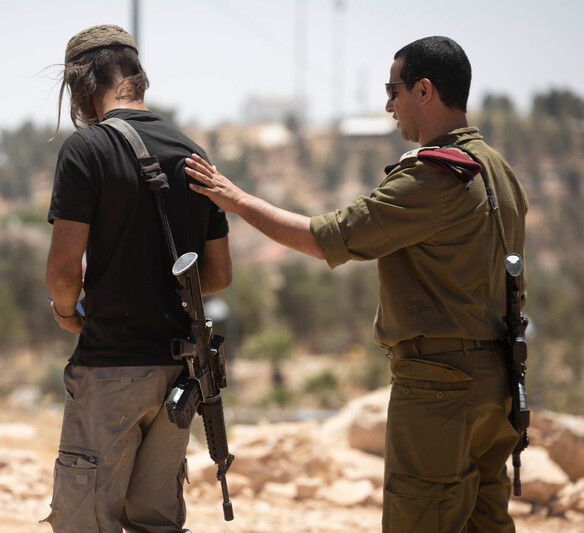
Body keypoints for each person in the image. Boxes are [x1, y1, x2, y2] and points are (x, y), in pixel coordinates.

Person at [184, 36, 527, 533]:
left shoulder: (435, 177)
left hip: (440, 387)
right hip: (497, 381)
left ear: (424, 90)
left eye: (394, 90)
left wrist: (235, 199)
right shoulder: (500, 171)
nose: (388, 105)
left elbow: (326, 239)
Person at [42, 24, 232, 533]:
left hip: (110, 369)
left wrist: (67, 313)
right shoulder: (194, 153)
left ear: (83, 81)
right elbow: (218, 273)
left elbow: (62, 274)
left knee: (86, 522)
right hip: (178, 376)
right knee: (156, 522)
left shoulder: (87, 150)